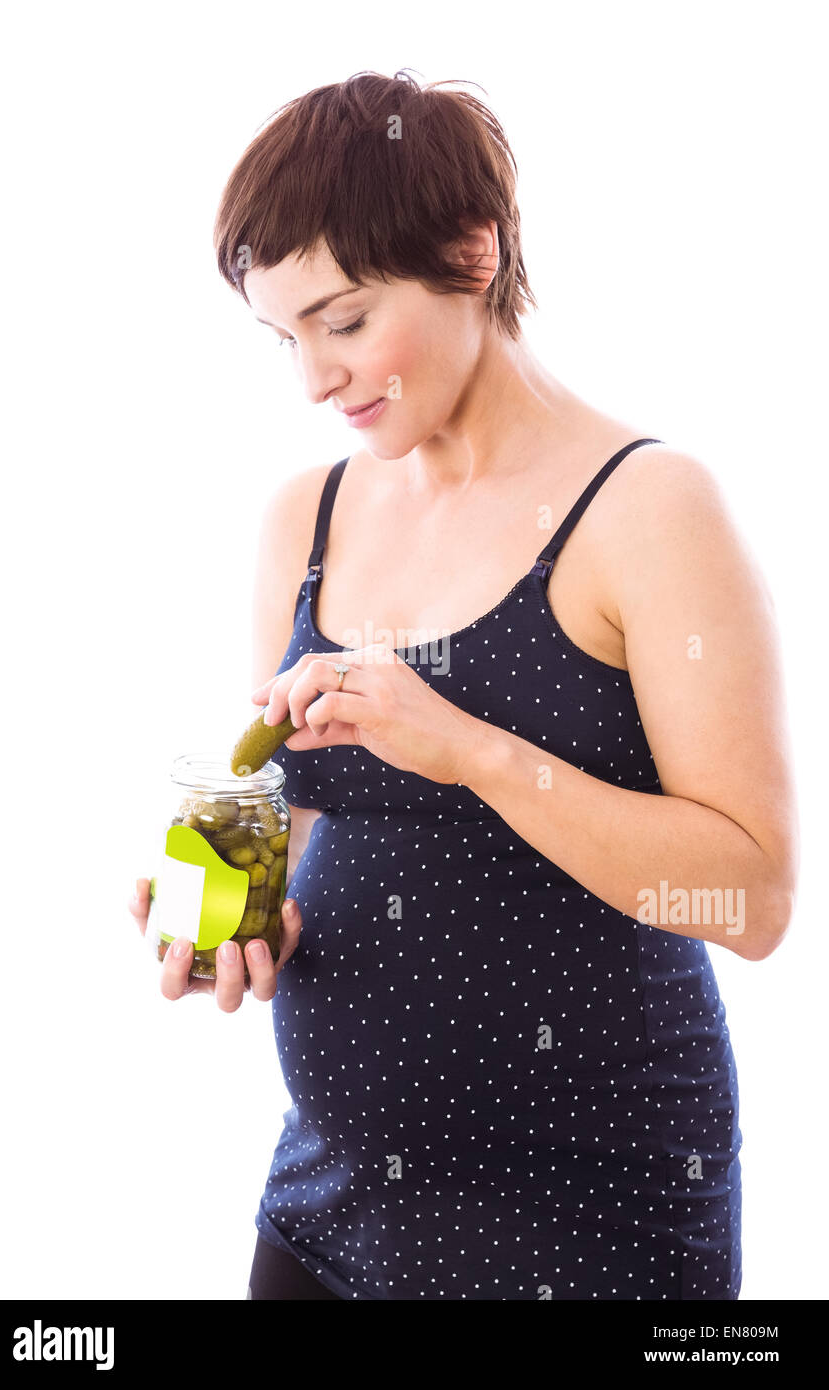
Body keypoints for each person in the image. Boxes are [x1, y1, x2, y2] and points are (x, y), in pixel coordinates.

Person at [129, 70, 799, 1300]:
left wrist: (474, 749)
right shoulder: (307, 515)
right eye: (285, 338)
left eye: (342, 320)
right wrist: (239, 914)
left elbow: (749, 895)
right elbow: (302, 807)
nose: (314, 379)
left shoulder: (647, 510)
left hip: (592, 1234)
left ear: (470, 251)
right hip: (325, 1217)